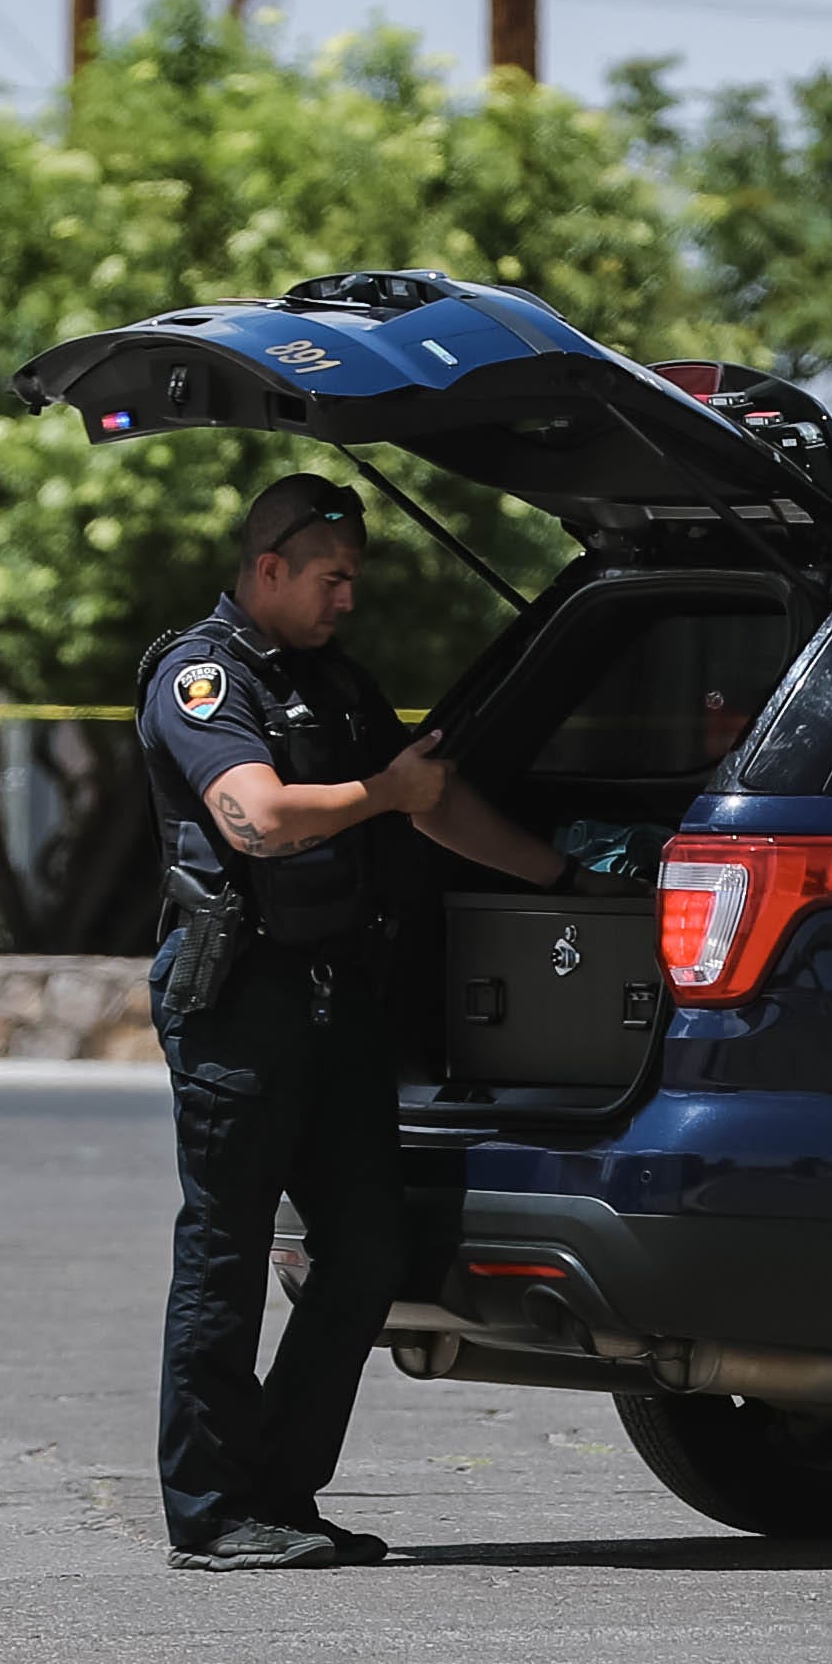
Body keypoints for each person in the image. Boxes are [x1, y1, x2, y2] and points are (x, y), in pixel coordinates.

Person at [141, 473, 559, 1572]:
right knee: (225, 1254)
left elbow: (432, 800)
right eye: (331, 578)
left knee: (368, 1247)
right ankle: (211, 1513)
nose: (348, 600)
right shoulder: (202, 677)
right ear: (268, 568)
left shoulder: (337, 682)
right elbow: (260, 818)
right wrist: (382, 796)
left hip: (337, 1001)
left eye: (354, 581)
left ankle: (278, 1491)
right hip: (241, 1002)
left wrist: (565, 874)